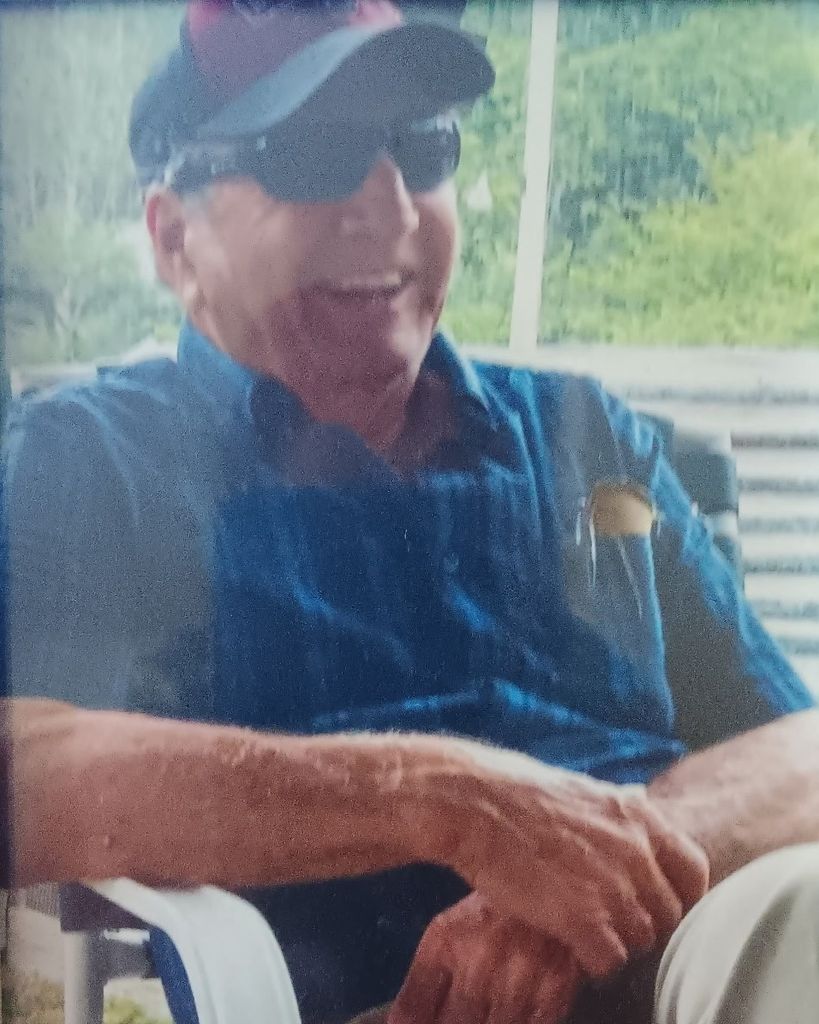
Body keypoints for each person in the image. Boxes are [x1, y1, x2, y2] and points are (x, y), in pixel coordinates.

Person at [3, 1, 818, 1022]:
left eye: (424, 147)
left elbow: (799, 747)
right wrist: (449, 803)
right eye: (312, 155)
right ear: (175, 239)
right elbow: (25, 764)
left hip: (689, 962)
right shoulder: (91, 457)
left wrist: (587, 873)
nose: (390, 205)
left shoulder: (586, 438)